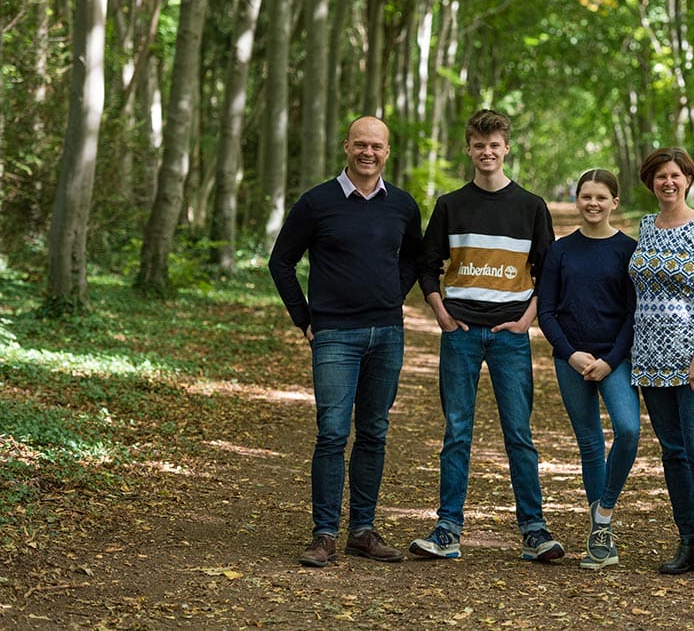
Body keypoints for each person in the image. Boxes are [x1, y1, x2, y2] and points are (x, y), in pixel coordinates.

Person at [408, 109, 564, 562]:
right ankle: (447, 529)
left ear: (506, 148)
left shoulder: (531, 206)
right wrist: (439, 310)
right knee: (457, 432)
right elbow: (427, 264)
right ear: (469, 149)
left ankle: (534, 530)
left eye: (495, 145)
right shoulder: (450, 205)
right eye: (479, 145)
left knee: (519, 433)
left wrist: (528, 319)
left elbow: (547, 271)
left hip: (510, 334)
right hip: (460, 332)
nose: (487, 152)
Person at [268, 116, 422, 567]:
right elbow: (281, 262)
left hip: (388, 334)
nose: (368, 152)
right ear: (346, 146)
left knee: (373, 432)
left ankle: (363, 530)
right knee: (333, 434)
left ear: (387, 151)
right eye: (360, 144)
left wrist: (395, 293)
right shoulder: (317, 202)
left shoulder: (403, 205)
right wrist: (305, 319)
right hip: (334, 334)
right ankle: (324, 534)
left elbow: (415, 255)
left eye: (376, 146)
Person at [628, 147, 694, 578]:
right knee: (672, 452)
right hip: (650, 358)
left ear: (688, 178)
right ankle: (686, 540)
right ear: (650, 182)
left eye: (675, 175)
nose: (668, 182)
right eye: (660, 176)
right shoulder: (646, 226)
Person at [537, 168, 640, 570]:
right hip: (570, 359)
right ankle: (601, 535)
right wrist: (569, 353)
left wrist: (610, 359)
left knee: (628, 430)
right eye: (586, 197)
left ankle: (605, 510)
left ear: (615, 202)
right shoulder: (561, 251)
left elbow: (634, 314)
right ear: (576, 201)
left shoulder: (629, 249)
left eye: (601, 197)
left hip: (615, 359)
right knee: (591, 443)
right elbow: (546, 311)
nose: (593, 204)